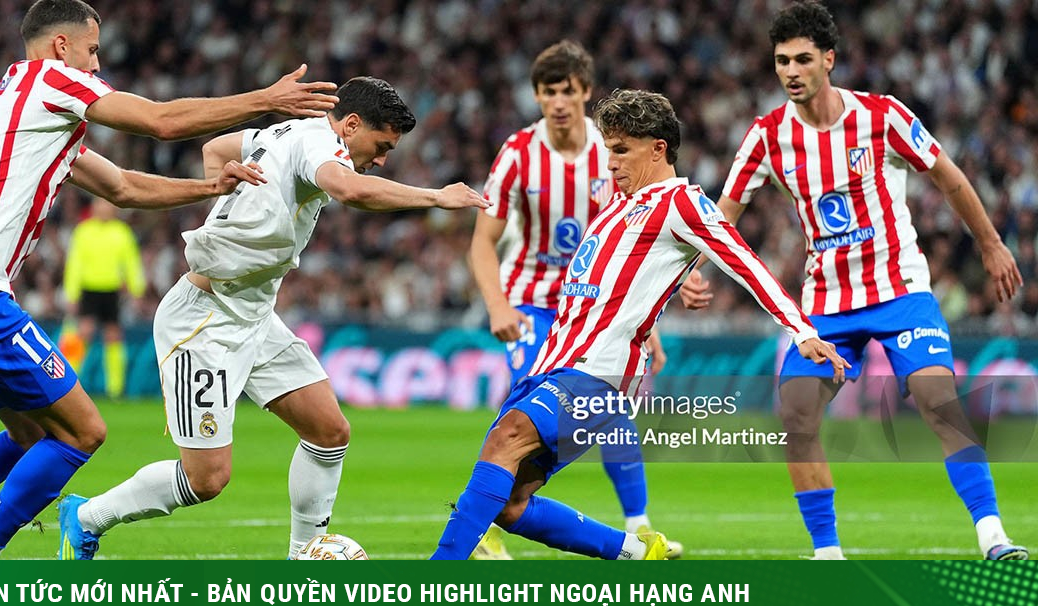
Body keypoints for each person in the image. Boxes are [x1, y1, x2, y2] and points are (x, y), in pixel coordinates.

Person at [0, 0, 338, 561]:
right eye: (92, 50)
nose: (96, 64)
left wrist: (209, 189)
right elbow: (161, 122)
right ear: (61, 46)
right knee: (83, 432)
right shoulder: (52, 78)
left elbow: (122, 187)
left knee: (30, 434)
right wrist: (265, 100)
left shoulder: (20, 102)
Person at [57, 76, 489, 560]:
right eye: (382, 145)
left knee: (329, 432)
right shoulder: (319, 144)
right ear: (349, 125)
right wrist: (435, 197)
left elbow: (218, 149)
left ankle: (303, 554)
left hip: (255, 314)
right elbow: (349, 190)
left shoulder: (289, 131)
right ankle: (86, 517)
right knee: (206, 479)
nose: (383, 159)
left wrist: (234, 202)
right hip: (204, 320)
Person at [432, 88, 848, 560]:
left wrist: (803, 331)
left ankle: (436, 580)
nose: (610, 162)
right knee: (509, 504)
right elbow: (619, 284)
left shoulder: (683, 203)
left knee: (504, 439)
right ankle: (634, 551)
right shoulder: (618, 204)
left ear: (658, 149)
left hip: (598, 372)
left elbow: (745, 264)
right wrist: (674, 284)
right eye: (609, 149)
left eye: (621, 150)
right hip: (553, 361)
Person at [679, 1, 1027, 560]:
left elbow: (949, 177)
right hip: (825, 305)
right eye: (780, 61)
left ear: (829, 60)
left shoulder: (882, 116)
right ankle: (828, 554)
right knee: (796, 412)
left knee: (939, 399)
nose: (790, 71)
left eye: (802, 59)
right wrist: (695, 272)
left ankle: (993, 536)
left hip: (899, 292)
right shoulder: (767, 136)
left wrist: (989, 243)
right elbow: (723, 214)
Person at [468, 39, 679, 561]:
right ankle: (489, 528)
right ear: (536, 96)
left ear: (585, 93)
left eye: (567, 91)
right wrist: (497, 305)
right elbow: (481, 240)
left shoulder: (612, 152)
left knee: (613, 412)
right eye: (547, 92)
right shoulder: (518, 153)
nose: (557, 101)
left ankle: (640, 527)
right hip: (532, 304)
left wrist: (643, 324)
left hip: (600, 309)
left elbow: (641, 245)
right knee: (521, 410)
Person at [61, 198, 146, 399]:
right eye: (100, 205)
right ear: (93, 208)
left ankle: (115, 389)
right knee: (83, 333)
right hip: (89, 289)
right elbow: (75, 263)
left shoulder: (122, 232)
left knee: (113, 335)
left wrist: (137, 290)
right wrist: (71, 293)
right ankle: (66, 382)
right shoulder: (84, 231)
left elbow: (131, 262)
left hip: (111, 290)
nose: (104, 209)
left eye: (108, 205)